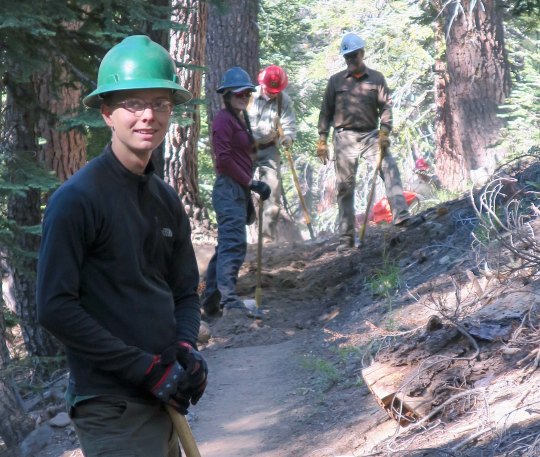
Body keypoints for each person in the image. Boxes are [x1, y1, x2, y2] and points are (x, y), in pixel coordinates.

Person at [36, 35, 208, 457]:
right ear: (107, 113)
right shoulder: (77, 201)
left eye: (161, 103)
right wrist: (145, 369)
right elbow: (55, 308)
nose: (148, 115)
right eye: (133, 103)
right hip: (110, 406)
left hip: (163, 398)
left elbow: (184, 291)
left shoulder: (166, 200)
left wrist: (185, 348)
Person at [316, 32, 416, 251]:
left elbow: (386, 107)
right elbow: (325, 112)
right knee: (345, 186)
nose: (351, 60)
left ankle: (401, 216)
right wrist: (322, 139)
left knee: (389, 168)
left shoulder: (377, 78)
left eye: (354, 56)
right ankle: (347, 237)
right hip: (344, 137)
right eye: (347, 57)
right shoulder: (335, 81)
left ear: (362, 53)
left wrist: (385, 131)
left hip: (371, 135)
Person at [201, 67, 271, 318]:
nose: (244, 96)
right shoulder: (223, 120)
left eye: (247, 93)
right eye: (239, 93)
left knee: (225, 248)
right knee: (234, 245)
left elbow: (243, 154)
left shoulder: (241, 119)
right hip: (228, 189)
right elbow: (223, 161)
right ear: (227, 95)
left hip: (238, 190)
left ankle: (210, 301)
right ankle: (229, 302)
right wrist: (251, 183)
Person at [247, 65, 297, 243]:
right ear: (263, 84)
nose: (273, 93)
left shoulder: (283, 100)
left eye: (277, 90)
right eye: (271, 89)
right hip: (246, 148)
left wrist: (288, 139)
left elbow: (289, 125)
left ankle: (266, 238)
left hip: (269, 149)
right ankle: (238, 233)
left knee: (273, 190)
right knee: (237, 187)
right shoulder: (249, 95)